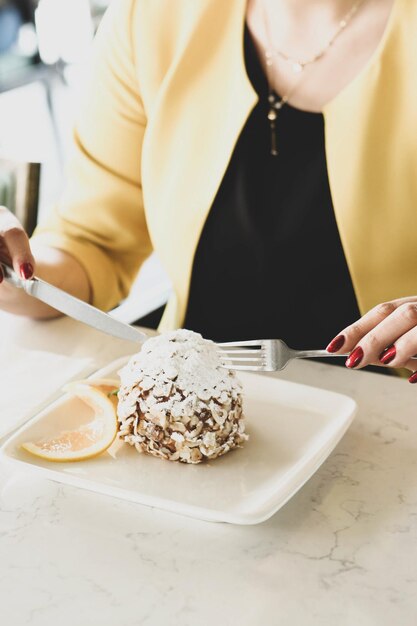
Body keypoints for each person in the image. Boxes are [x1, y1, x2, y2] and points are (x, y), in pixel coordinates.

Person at [1, 0, 417, 379]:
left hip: (394, 422)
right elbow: (92, 244)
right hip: (184, 409)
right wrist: (12, 273)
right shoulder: (151, 16)